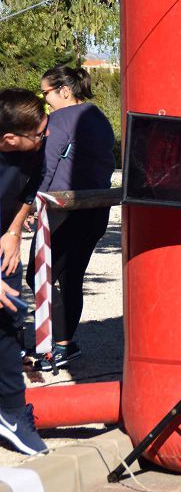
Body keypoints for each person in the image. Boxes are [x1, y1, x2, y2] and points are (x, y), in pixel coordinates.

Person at [30, 66, 117, 371]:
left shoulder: (60, 119)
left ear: (64, 91)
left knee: (39, 276)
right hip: (95, 207)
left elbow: (46, 165)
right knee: (72, 276)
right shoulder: (99, 118)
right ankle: (63, 344)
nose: (45, 100)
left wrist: (32, 202)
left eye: (46, 93)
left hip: (62, 209)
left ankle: (54, 345)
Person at [0, 89, 47, 455]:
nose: (45, 136)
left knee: (10, 315)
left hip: (4, 240)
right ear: (9, 139)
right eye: (37, 133)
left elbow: (28, 193)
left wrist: (14, 231)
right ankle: (11, 412)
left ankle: (11, 412)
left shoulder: (33, 148)